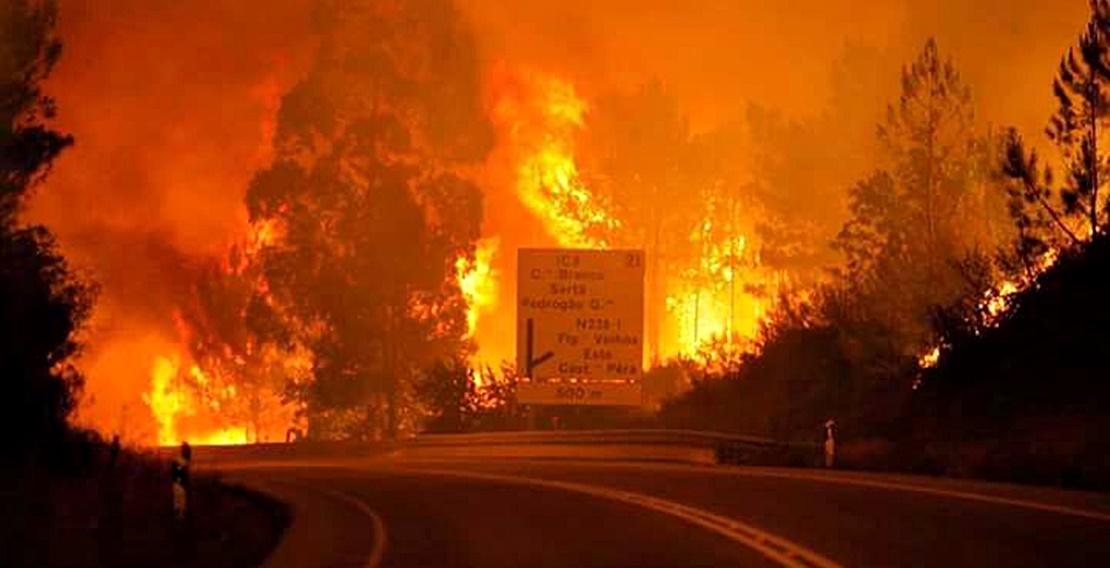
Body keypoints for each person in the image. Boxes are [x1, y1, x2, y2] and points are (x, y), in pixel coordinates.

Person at [171, 442, 192, 521]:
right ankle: (179, 521)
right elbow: (178, 473)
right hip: (179, 485)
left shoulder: (182, 461)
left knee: (179, 504)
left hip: (179, 485)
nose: (190, 453)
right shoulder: (181, 462)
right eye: (189, 451)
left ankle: (178, 520)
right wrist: (180, 481)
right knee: (180, 505)